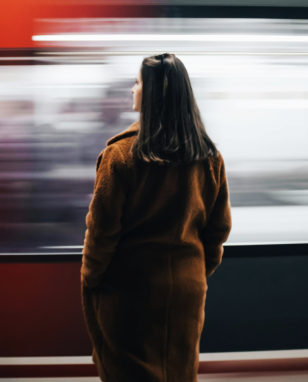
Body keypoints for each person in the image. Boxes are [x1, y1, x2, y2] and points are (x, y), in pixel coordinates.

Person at [81, 53, 232, 381]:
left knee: (130, 371)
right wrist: (194, 270)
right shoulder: (209, 156)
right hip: (187, 289)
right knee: (178, 369)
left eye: (136, 83)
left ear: (150, 92)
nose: (131, 90)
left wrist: (91, 277)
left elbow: (102, 231)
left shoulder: (119, 156)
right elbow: (218, 228)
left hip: (131, 288)